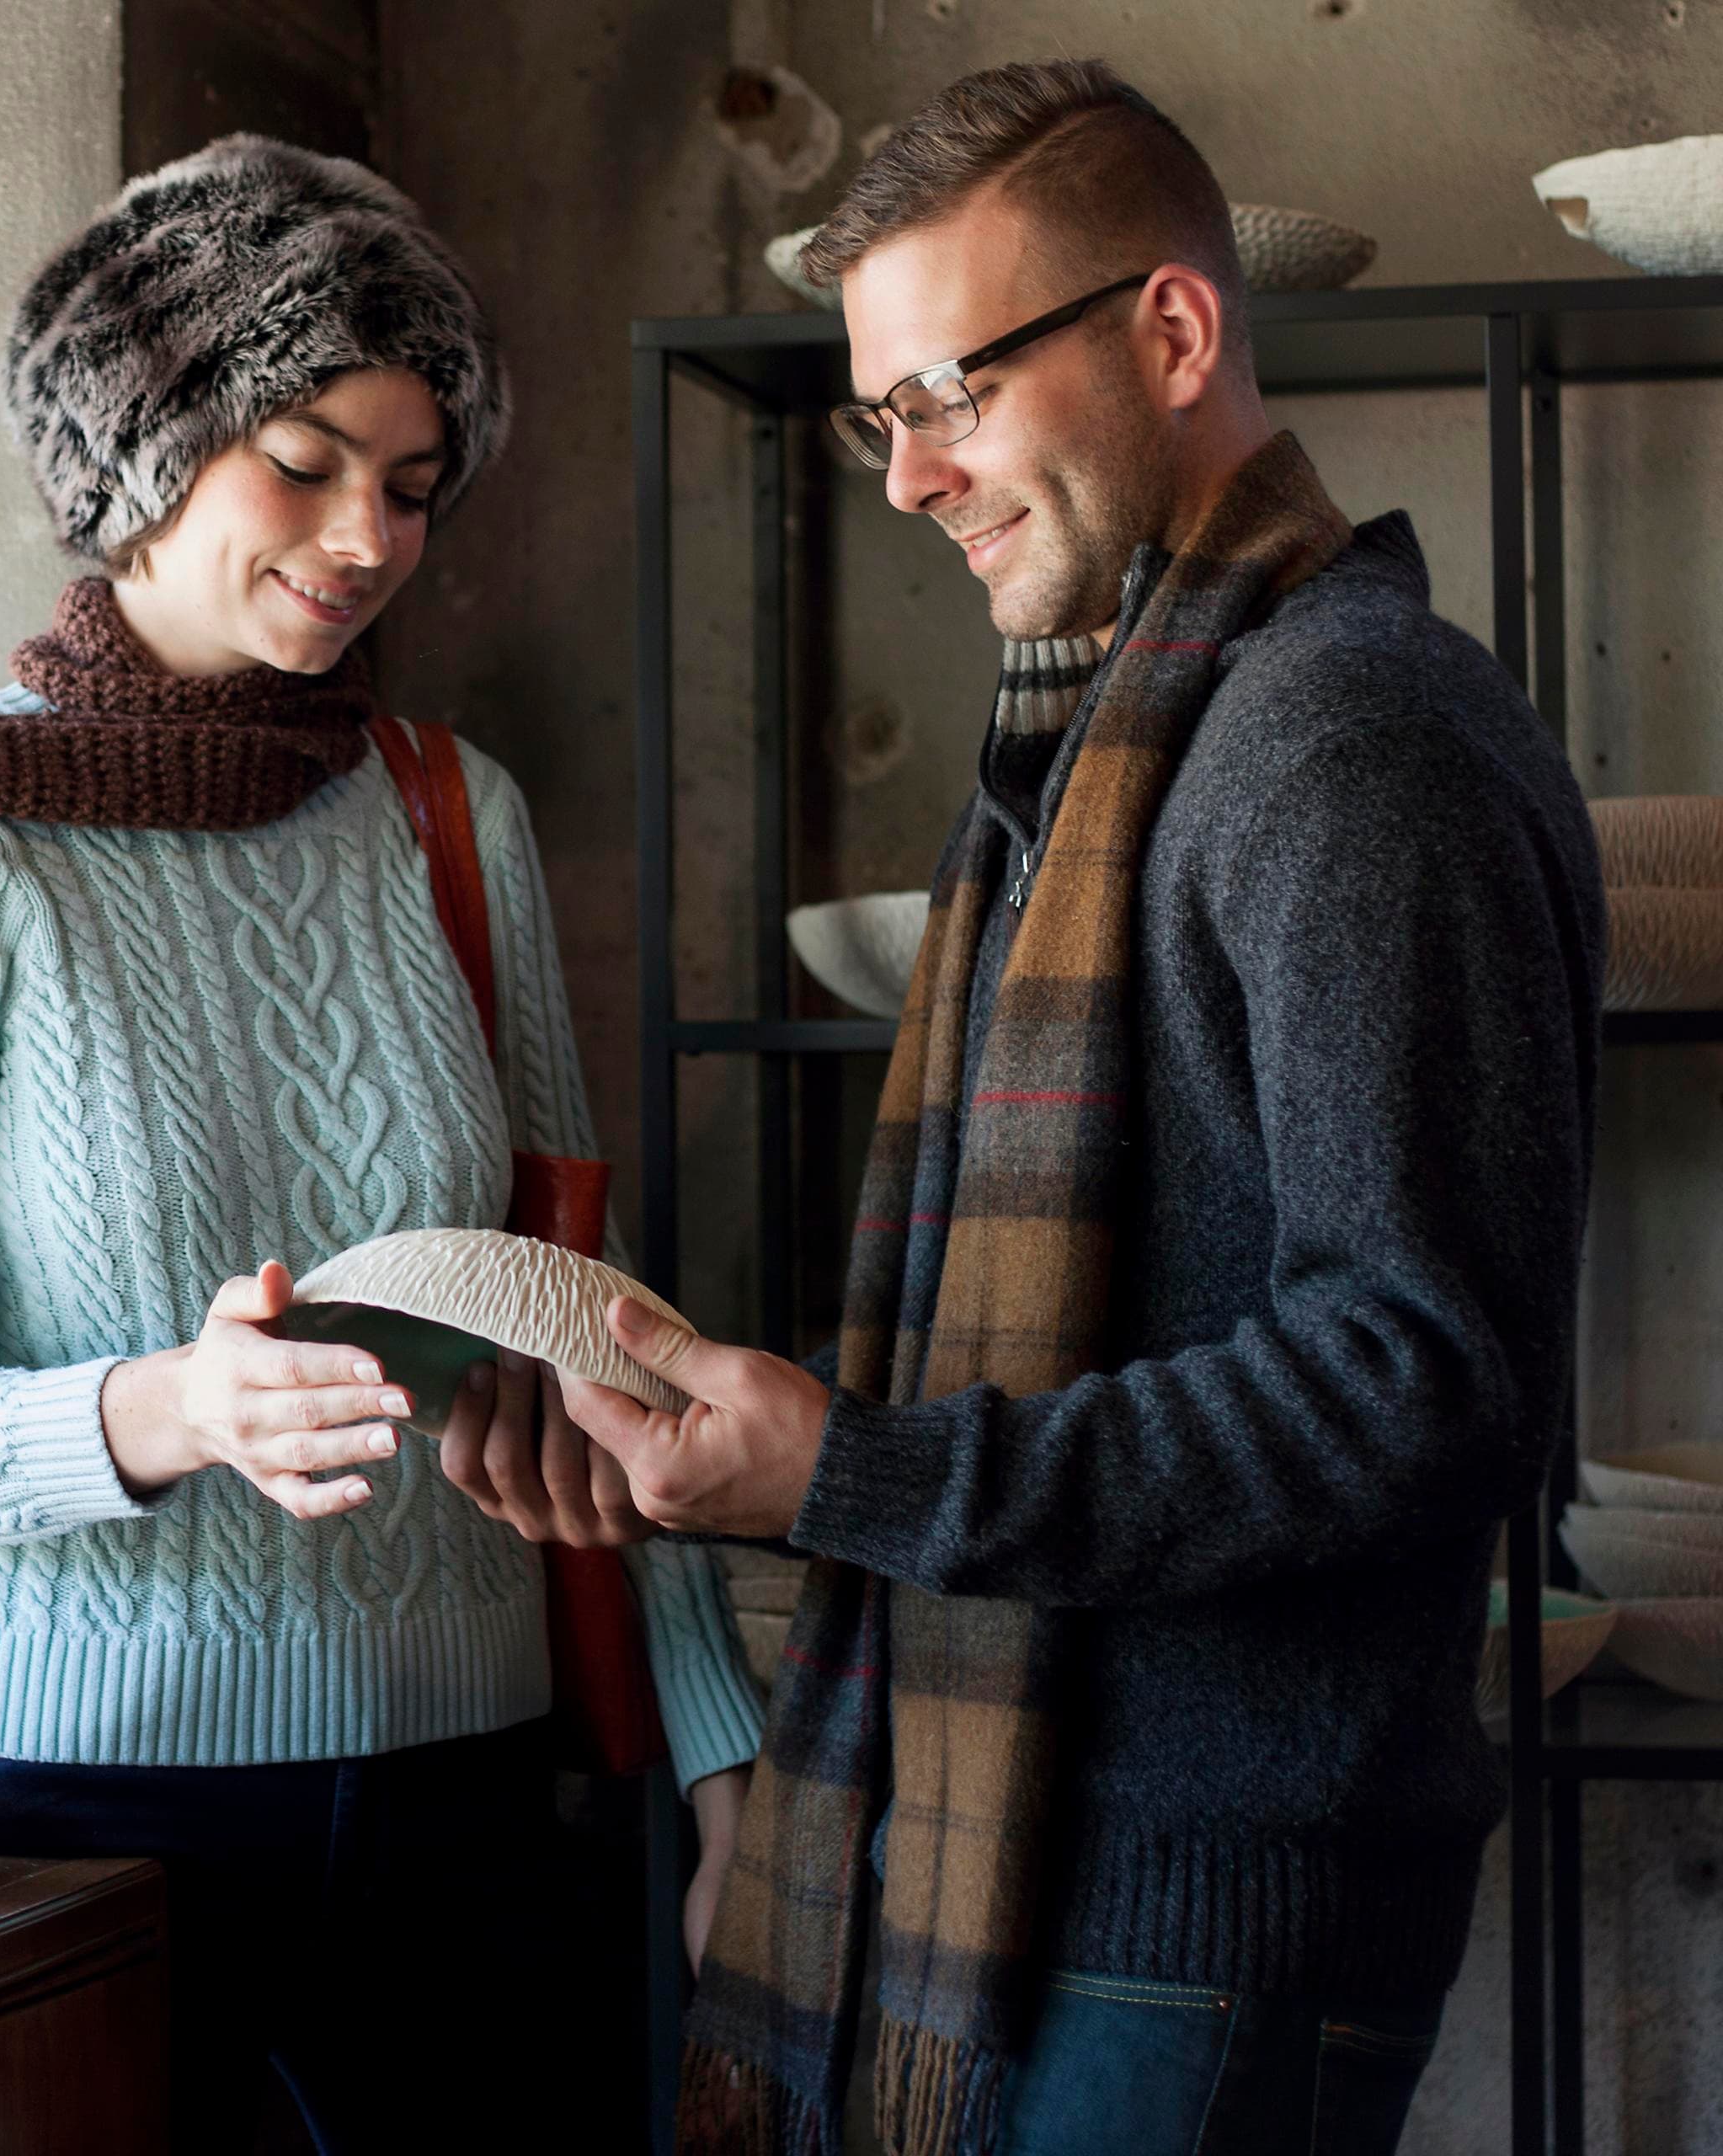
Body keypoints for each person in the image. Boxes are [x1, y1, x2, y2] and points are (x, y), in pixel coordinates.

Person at [553, 61, 1603, 2156]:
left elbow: (1422, 1380)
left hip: (1189, 1922)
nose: (908, 478)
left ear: (1175, 332)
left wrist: (852, 1470)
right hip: (1044, 1895)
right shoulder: (1128, 739)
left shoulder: (1341, 743)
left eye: (948, 393)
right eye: (878, 420)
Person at [0, 135, 763, 2151]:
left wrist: (729, 1771)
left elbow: (599, 1331)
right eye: (304, 456)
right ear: (139, 436)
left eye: (416, 484)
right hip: (87, 1837)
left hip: (481, 1801)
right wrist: (171, 1406)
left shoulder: (454, 812)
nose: (368, 533)